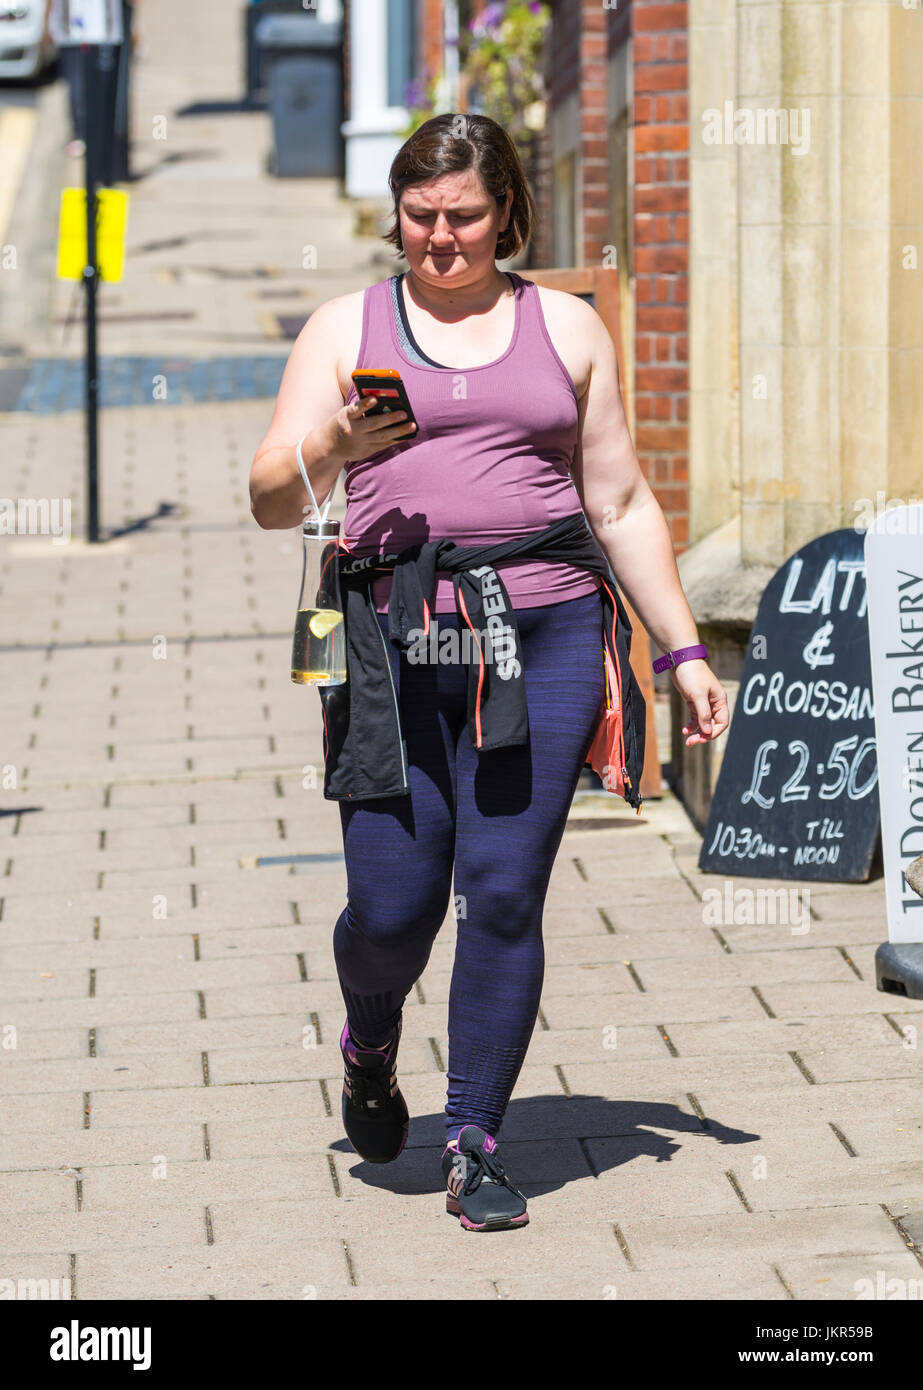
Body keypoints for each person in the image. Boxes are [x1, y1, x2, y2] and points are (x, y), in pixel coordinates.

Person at [250, 113, 729, 1233]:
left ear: (505, 211)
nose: (440, 239)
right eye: (419, 218)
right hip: (387, 641)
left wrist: (684, 647)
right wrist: (335, 448)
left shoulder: (563, 328)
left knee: (504, 893)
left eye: (462, 216)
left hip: (546, 630)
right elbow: (272, 496)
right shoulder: (344, 327)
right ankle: (370, 1038)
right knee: (390, 908)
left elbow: (615, 501)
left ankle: (471, 1141)